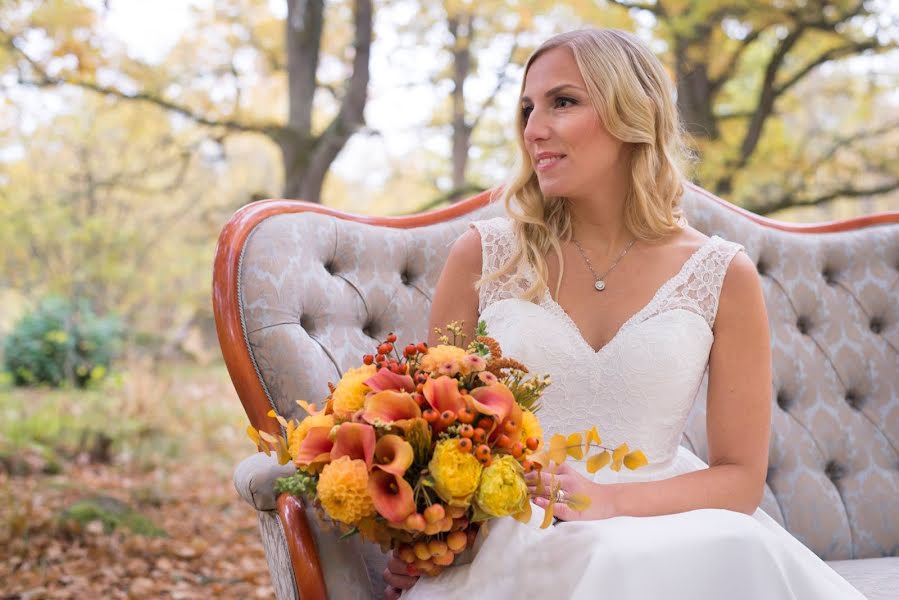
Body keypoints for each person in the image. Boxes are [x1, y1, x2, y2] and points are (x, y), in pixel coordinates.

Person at [383, 28, 866, 599]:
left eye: (563, 102)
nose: (534, 128)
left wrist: (608, 501)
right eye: (527, 109)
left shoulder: (721, 275)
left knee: (723, 546)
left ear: (630, 113)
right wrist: (421, 535)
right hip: (525, 528)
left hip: (669, 520)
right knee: (601, 555)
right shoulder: (486, 257)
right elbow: (434, 434)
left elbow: (739, 480)